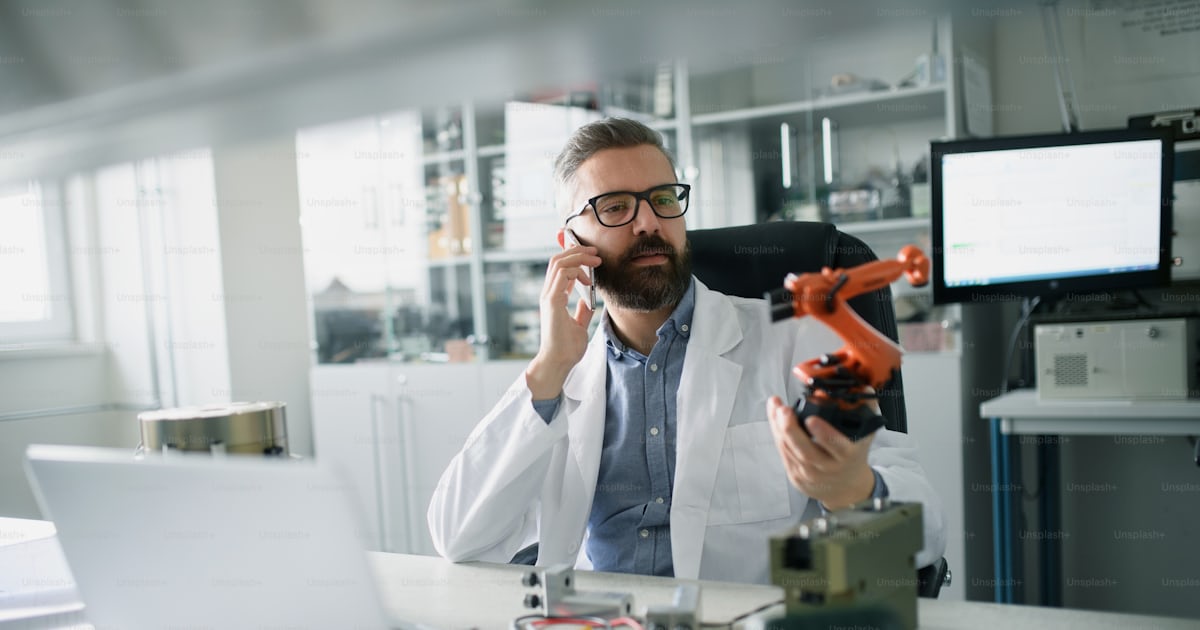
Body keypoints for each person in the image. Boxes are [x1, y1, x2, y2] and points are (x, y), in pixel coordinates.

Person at [427, 117, 945, 584]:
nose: (648, 222)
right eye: (614, 207)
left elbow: (925, 535)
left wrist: (855, 490)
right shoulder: (563, 377)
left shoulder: (796, 339)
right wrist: (547, 370)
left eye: (664, 199)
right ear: (571, 244)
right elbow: (457, 538)